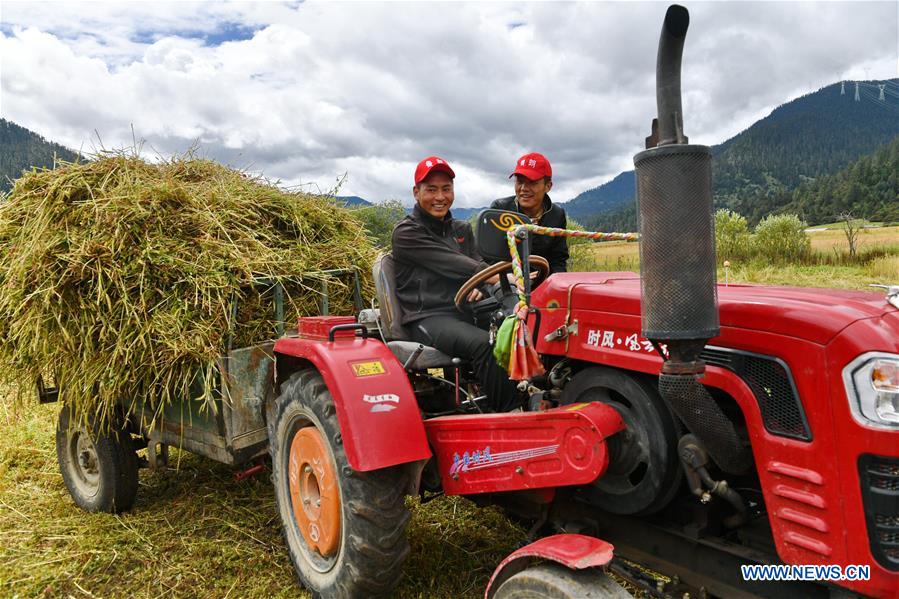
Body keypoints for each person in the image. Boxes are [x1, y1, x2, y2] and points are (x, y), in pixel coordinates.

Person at [391, 156, 519, 412]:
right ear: (416, 193)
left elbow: (474, 264)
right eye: (431, 189)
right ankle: (510, 414)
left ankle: (540, 395)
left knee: (520, 326)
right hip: (427, 316)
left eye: (446, 189)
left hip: (463, 311)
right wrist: (496, 275)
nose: (440, 197)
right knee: (485, 344)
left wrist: (481, 286)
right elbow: (452, 263)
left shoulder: (461, 229)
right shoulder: (406, 233)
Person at [490, 152, 569, 274]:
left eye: (532, 182)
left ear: (548, 186)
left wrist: (549, 282)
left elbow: (558, 259)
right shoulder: (500, 210)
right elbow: (489, 257)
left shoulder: (557, 215)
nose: (523, 188)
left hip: (543, 282)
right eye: (519, 181)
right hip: (506, 284)